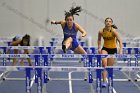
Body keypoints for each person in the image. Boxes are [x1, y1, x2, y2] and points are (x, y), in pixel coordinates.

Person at [97, 17, 123, 87]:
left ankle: (108, 79)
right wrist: (99, 48)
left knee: (109, 67)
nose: (108, 22)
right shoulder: (101, 31)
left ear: (111, 23)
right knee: (104, 64)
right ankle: (104, 81)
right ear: (105, 23)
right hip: (105, 48)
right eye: (107, 21)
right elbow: (99, 39)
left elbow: (120, 41)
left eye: (109, 21)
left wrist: (120, 51)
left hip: (113, 49)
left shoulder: (114, 31)